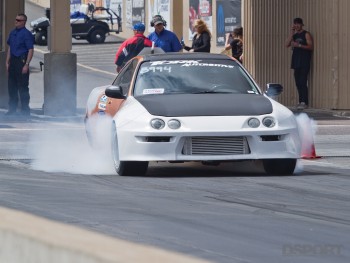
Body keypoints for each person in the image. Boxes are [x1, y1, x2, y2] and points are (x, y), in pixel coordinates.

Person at [6, 13, 34, 116]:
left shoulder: (26, 34)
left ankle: (25, 111)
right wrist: (7, 61)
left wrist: (26, 64)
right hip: (13, 61)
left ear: (24, 22)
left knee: (23, 87)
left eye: (18, 20)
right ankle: (12, 110)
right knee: (12, 87)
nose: (16, 21)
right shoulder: (13, 32)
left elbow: (30, 49)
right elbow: (10, 47)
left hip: (21, 61)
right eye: (16, 19)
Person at [285, 17, 313, 110]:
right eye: (295, 24)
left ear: (302, 24)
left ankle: (304, 102)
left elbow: (310, 46)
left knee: (303, 81)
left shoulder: (306, 34)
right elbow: (286, 44)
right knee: (297, 82)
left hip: (304, 61)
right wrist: (292, 33)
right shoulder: (295, 35)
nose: (296, 25)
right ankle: (300, 100)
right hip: (296, 61)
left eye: (298, 24)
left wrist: (299, 45)